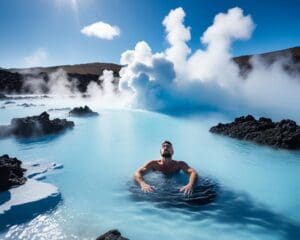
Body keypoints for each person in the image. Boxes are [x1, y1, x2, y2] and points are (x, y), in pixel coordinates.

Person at [134, 140, 198, 195]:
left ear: (172, 151)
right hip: (157, 187)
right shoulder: (153, 164)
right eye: (163, 146)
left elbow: (193, 172)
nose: (165, 147)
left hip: (175, 186)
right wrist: (142, 183)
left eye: (168, 146)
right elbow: (137, 173)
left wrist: (190, 184)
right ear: (160, 151)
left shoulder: (179, 164)